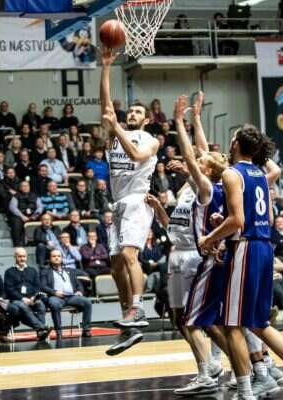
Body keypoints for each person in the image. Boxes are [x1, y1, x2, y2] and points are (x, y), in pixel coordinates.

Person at [200, 123, 283, 400]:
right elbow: (252, 216)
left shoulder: (232, 173)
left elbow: (238, 221)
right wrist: (223, 222)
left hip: (245, 249)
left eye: (232, 139)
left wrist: (210, 238)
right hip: (264, 248)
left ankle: (245, 391)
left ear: (236, 144)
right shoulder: (261, 175)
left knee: (232, 325)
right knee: (257, 322)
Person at [100, 47, 160, 356]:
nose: (132, 114)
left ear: (146, 119)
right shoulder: (114, 135)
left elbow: (136, 155)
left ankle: (138, 307)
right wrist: (106, 67)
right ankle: (129, 322)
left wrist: (118, 129)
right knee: (114, 266)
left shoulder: (150, 140)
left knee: (128, 255)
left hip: (138, 200)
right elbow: (105, 106)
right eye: (130, 111)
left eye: (138, 112)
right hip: (118, 203)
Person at [169, 94, 228, 394]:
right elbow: (203, 153)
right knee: (188, 318)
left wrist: (180, 122)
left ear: (206, 170)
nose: (197, 159)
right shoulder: (204, 183)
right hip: (186, 253)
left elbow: (196, 156)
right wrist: (197, 119)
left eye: (201, 163)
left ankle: (217, 366)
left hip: (199, 254)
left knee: (197, 319)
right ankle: (246, 364)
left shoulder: (204, 186)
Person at [40, 249, 92, 339]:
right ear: (50, 259)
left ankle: (86, 330)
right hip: (55, 297)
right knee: (54, 304)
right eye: (54, 256)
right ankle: (59, 332)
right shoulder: (45, 272)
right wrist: (55, 292)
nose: (56, 258)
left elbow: (78, 284)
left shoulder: (70, 271)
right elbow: (43, 286)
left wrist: (79, 291)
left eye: (58, 256)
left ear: (61, 258)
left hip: (71, 297)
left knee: (87, 302)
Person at [4, 248, 51, 341]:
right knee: (23, 306)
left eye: (24, 256)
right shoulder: (9, 272)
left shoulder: (32, 270)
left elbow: (37, 286)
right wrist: (23, 299)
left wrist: (33, 298)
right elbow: (10, 290)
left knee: (41, 305)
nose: (22, 259)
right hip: (17, 300)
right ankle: (41, 328)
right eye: (19, 256)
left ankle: (40, 333)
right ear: (15, 257)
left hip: (32, 299)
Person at [9, 181, 43, 247]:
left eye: (27, 186)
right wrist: (22, 216)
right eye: (23, 186)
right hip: (20, 216)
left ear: (29, 187)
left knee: (45, 218)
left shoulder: (35, 195)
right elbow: (12, 207)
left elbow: (40, 207)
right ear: (20, 188)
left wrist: (35, 215)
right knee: (15, 221)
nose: (25, 187)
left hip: (34, 215)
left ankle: (40, 241)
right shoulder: (16, 196)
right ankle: (18, 244)